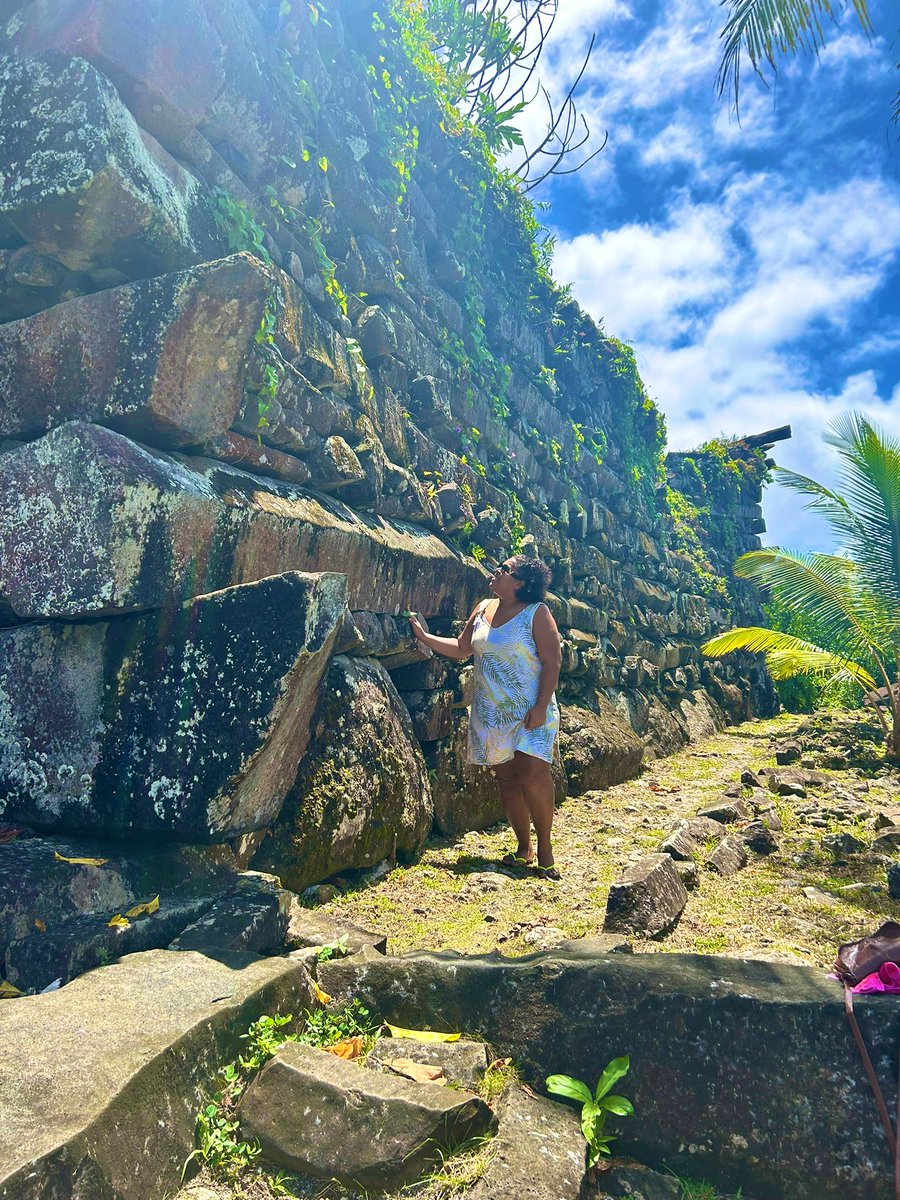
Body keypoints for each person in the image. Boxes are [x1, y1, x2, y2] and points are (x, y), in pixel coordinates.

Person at [408, 555, 562, 878]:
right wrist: (424, 637)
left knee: (533, 772)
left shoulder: (537, 613)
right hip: (491, 712)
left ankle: (545, 847)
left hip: (531, 708)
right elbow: (462, 648)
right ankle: (524, 847)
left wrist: (541, 705)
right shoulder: (482, 608)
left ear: (520, 583)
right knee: (507, 779)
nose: (497, 571)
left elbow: (552, 661)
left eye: (505, 569)